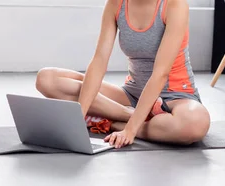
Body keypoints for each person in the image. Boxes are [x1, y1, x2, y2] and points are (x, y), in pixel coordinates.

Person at [35, 0, 211, 148]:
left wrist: (130, 130)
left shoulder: (174, 5)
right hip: (132, 94)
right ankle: (137, 116)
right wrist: (78, 115)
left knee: (195, 124)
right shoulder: (116, 4)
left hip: (176, 97)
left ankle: (110, 122)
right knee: (47, 79)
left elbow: (160, 74)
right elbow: (99, 61)